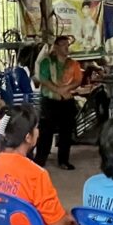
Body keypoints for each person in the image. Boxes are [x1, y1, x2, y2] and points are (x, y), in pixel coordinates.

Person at [36, 35, 83, 170]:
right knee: (46, 131)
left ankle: (63, 160)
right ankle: (40, 160)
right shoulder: (47, 62)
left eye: (68, 45)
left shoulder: (73, 64)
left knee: (66, 132)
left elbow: (78, 80)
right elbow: (43, 79)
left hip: (66, 101)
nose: (67, 48)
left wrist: (66, 89)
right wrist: (58, 90)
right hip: (49, 101)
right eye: (63, 45)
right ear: (56, 47)